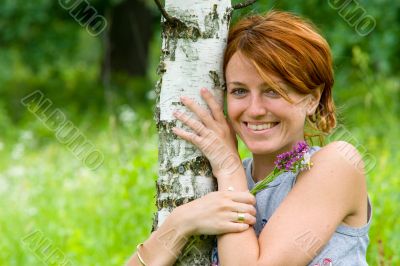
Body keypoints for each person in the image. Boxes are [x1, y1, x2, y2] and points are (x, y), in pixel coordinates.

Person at [127, 10, 371, 266]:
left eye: (273, 91)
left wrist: (229, 167)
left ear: (312, 99)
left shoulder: (338, 165)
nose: (255, 110)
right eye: (240, 91)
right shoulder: (214, 181)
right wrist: (181, 221)